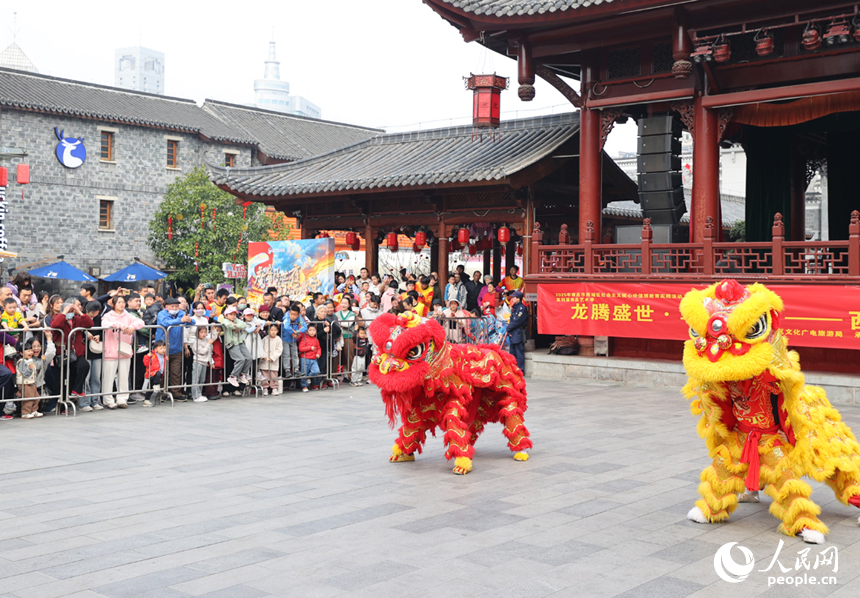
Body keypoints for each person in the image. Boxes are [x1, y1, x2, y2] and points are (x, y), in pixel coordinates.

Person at [101, 295, 144, 409]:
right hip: (111, 350)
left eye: (123, 302)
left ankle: (122, 398)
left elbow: (140, 323)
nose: (121, 304)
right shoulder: (108, 316)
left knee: (124, 376)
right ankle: (108, 399)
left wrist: (131, 327)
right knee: (109, 377)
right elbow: (104, 325)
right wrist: (119, 325)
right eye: (119, 302)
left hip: (124, 350)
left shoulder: (128, 315)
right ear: (114, 304)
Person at [51, 298, 93, 406]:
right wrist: (63, 313)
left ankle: (77, 389)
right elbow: (55, 325)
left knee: (84, 365)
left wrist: (79, 312)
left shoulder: (77, 319)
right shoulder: (59, 318)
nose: (70, 313)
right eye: (69, 311)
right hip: (63, 354)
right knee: (63, 380)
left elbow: (89, 323)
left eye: (71, 311)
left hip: (76, 353)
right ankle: (62, 405)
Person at [155, 297, 192, 401]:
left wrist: (189, 320)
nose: (175, 308)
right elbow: (165, 323)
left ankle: (176, 393)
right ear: (166, 307)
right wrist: (180, 320)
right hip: (162, 348)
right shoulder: (161, 314)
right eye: (172, 306)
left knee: (176, 373)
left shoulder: (181, 313)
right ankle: (161, 392)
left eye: (176, 306)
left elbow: (191, 322)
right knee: (161, 371)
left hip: (177, 348)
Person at [220, 306, 252, 387]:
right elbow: (228, 325)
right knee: (240, 359)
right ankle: (232, 376)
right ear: (226, 315)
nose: (233, 316)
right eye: (231, 314)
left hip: (240, 342)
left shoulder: (236, 320)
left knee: (249, 358)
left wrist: (235, 325)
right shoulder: (225, 320)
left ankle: (242, 374)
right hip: (231, 343)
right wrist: (235, 326)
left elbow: (243, 325)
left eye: (234, 314)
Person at [16, 338, 43, 418]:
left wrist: (42, 361)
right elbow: (25, 373)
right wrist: (30, 368)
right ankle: (25, 412)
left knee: (36, 397)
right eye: (28, 351)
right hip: (25, 384)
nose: (30, 352)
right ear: (21, 353)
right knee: (28, 398)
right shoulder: (21, 362)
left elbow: (37, 367)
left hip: (32, 382)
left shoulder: (30, 360)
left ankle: (34, 410)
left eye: (31, 350)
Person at [83, 300, 103, 405]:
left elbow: (103, 331)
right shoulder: (82, 318)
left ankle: (95, 400)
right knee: (86, 378)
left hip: (97, 350)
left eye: (96, 313)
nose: (95, 315)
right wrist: (85, 333)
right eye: (93, 313)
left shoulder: (99, 319)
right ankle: (85, 402)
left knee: (96, 377)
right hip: (85, 351)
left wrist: (99, 336)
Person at [190, 325, 216, 403]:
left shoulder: (206, 339)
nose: (204, 334)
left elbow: (214, 337)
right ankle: (195, 395)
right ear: (197, 333)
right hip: (198, 362)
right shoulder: (196, 342)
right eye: (201, 332)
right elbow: (202, 351)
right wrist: (208, 344)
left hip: (204, 362)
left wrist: (213, 329)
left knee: (202, 379)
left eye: (205, 332)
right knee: (196, 379)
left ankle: (199, 394)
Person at [281, 304, 306, 385]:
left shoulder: (300, 317)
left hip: (293, 340)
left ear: (298, 314)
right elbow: (286, 326)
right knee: (286, 355)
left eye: (295, 315)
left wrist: (298, 332)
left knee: (295, 354)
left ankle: (296, 370)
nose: (293, 316)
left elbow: (304, 327)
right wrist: (292, 333)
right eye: (291, 314)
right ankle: (287, 370)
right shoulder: (286, 317)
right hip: (285, 339)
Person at [507, 290, 528, 372]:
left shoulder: (521, 308)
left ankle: (520, 369)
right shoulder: (514, 307)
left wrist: (509, 328)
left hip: (518, 332)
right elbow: (512, 320)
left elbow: (517, 321)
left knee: (519, 352)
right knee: (512, 352)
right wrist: (509, 331)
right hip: (513, 332)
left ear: (518, 299)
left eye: (514, 297)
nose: (512, 299)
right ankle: (512, 369)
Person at [259, 324, 283, 396]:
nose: (273, 332)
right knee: (265, 374)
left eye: (274, 330)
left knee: (274, 375)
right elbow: (261, 348)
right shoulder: (264, 339)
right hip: (265, 360)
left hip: (273, 360)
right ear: (268, 331)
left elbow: (279, 350)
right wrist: (263, 356)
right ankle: (265, 388)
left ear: (277, 331)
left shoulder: (278, 339)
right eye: (271, 330)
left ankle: (274, 388)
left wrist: (273, 357)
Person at [142, 340, 167, 407]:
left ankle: (146, 400)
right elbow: (146, 363)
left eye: (164, 348)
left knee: (150, 387)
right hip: (152, 373)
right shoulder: (152, 355)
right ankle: (156, 385)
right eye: (161, 348)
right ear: (156, 349)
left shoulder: (164, 356)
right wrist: (147, 357)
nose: (163, 350)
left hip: (159, 374)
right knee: (157, 375)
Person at [299, 324, 322, 392]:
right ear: (307, 331)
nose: (312, 332)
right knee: (304, 372)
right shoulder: (304, 339)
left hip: (313, 358)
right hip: (305, 358)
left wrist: (318, 353)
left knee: (316, 371)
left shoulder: (316, 340)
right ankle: (304, 386)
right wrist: (309, 348)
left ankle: (308, 377)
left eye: (313, 330)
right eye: (310, 330)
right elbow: (301, 348)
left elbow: (319, 348)